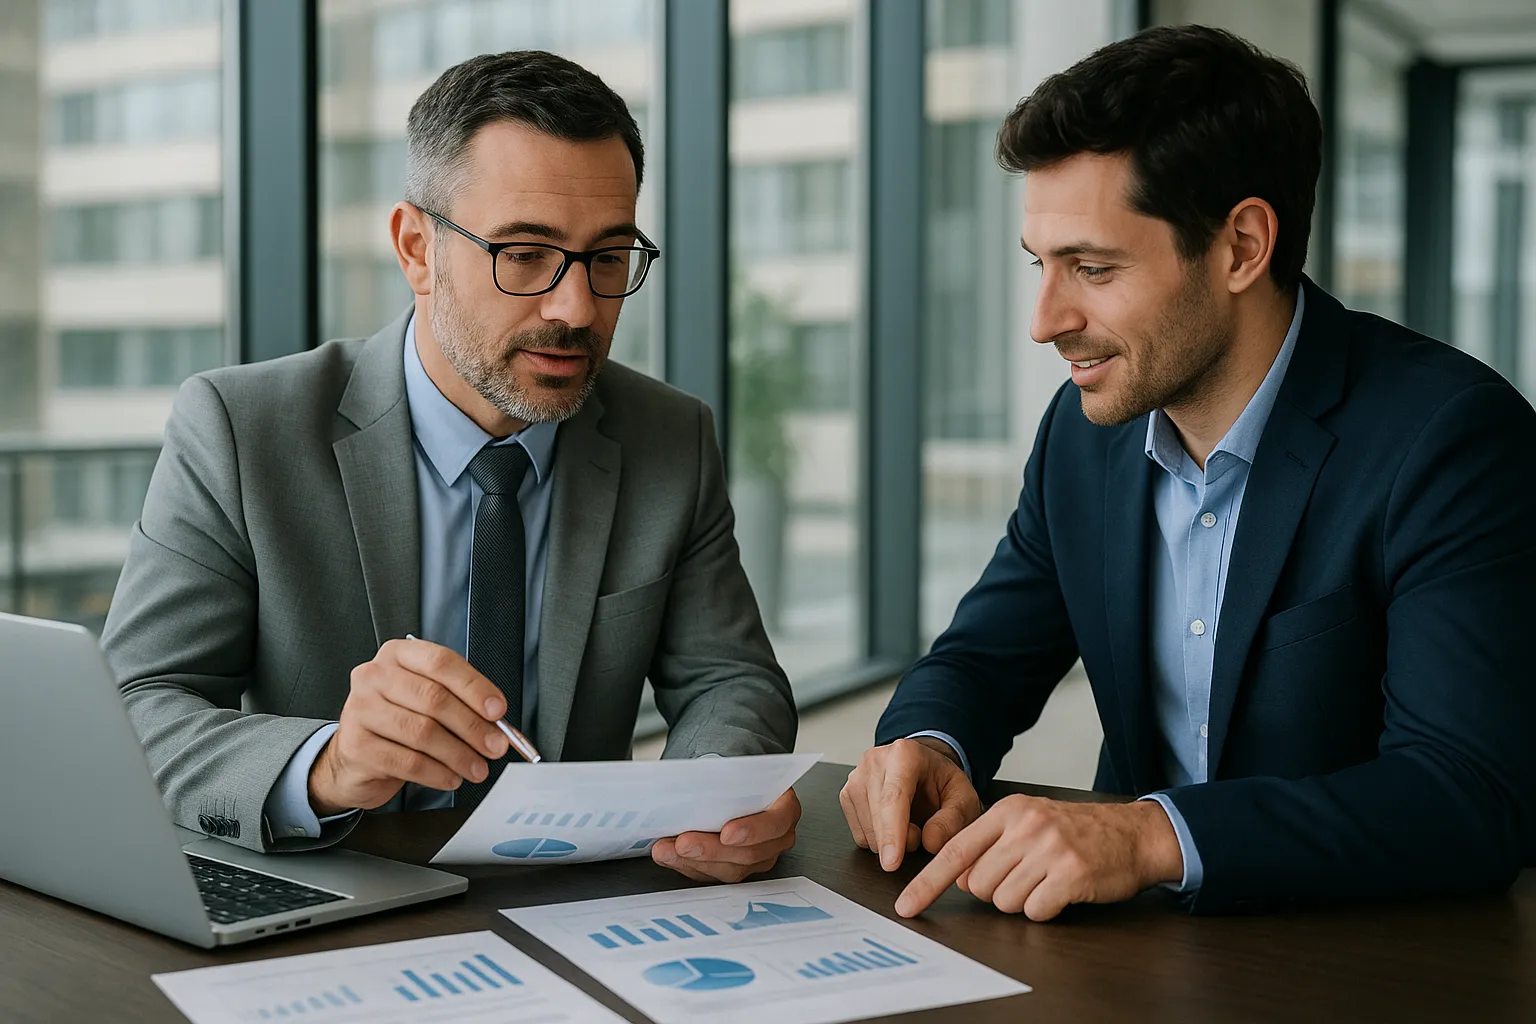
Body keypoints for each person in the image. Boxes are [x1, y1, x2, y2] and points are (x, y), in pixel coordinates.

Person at [841, 24, 1536, 919]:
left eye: (1091, 268)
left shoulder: (1451, 439)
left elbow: (1467, 798)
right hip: (1124, 955)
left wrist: (1150, 836)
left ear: (1243, 245)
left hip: (1365, 960)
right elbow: (982, 656)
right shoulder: (1084, 432)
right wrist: (928, 744)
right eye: (1039, 266)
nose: (1045, 321)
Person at [103, 50, 799, 884]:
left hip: (568, 899)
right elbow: (136, 710)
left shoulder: (667, 436)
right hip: (334, 887)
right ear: (416, 249)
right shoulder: (242, 430)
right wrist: (326, 766)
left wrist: (716, 790)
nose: (575, 308)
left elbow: (730, 677)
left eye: (608, 258)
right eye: (525, 254)